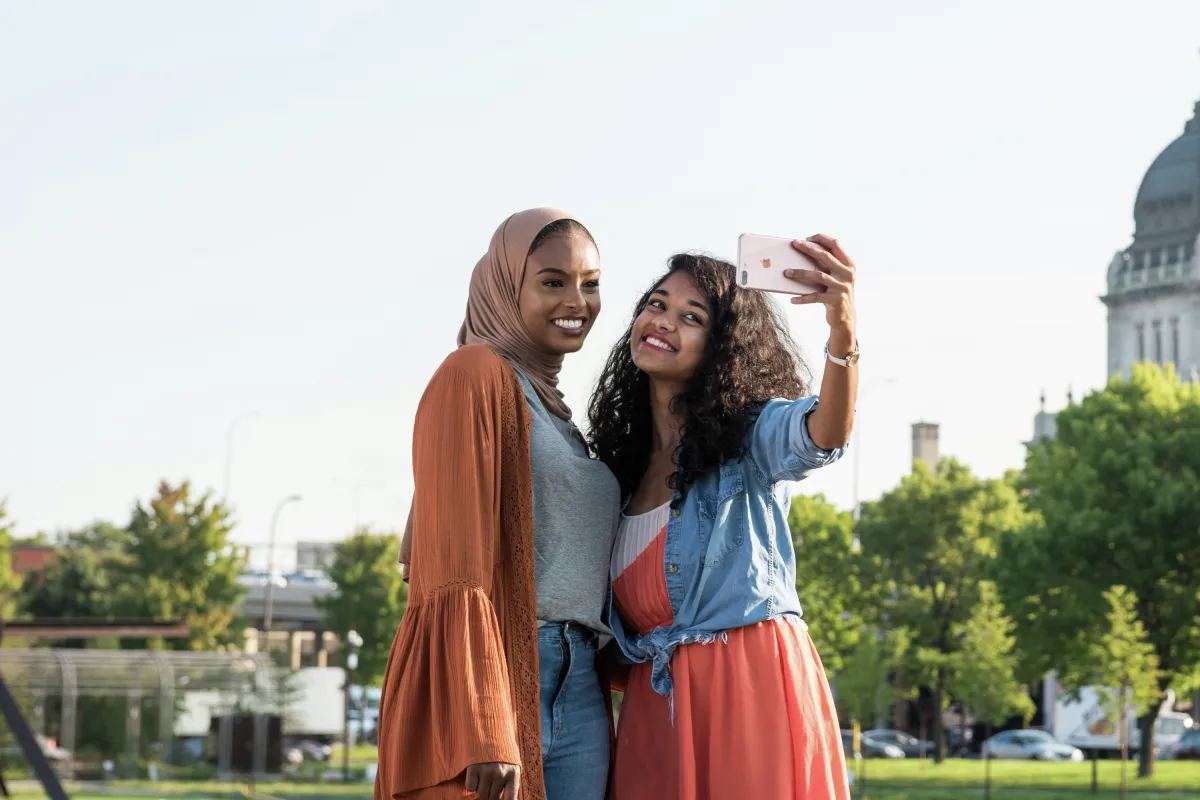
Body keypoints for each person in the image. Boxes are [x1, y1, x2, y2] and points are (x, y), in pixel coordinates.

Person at [588, 238, 858, 799]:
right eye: (657, 304)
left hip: (748, 689)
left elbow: (822, 434)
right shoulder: (617, 471)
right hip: (655, 703)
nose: (662, 321)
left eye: (691, 317)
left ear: (720, 349)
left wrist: (843, 335)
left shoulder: (748, 438)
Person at [377, 209, 620, 800]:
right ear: (506, 287)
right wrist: (482, 724)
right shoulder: (474, 376)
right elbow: (456, 567)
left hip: (579, 681)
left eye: (590, 283)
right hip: (504, 672)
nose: (577, 300)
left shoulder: (558, 416)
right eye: (553, 281)